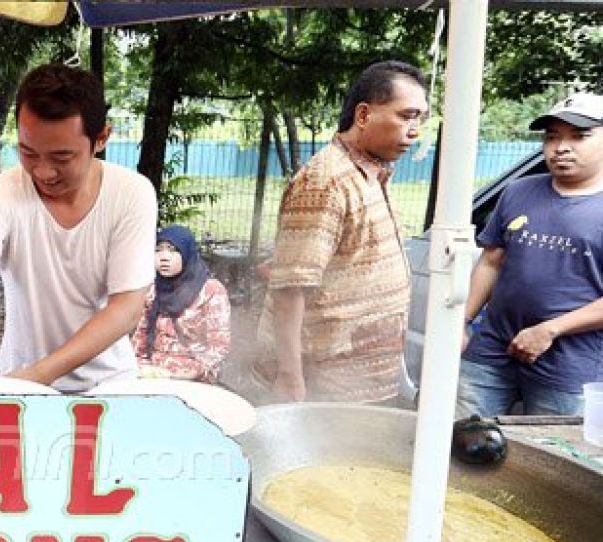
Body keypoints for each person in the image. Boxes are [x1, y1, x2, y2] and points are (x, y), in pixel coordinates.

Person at [0, 63, 158, 393]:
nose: (44, 172)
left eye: (62, 157)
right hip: (21, 383)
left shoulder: (131, 194)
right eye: (28, 153)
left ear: (101, 138)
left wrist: (40, 374)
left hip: (109, 387)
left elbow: (127, 308)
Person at [250, 60, 428, 403]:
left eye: (420, 118)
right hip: (326, 390)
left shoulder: (368, 174)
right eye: (406, 116)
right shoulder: (326, 182)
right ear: (363, 115)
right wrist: (290, 379)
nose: (415, 130)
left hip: (361, 385)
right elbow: (290, 289)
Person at [457, 93, 603, 416]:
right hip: (491, 351)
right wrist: (461, 321)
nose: (561, 147)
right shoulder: (518, 191)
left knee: (551, 457)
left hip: (570, 365)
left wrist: (550, 330)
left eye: (579, 136)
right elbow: (491, 262)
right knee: (462, 439)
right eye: (552, 137)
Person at [132, 225, 231, 383]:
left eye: (172, 250)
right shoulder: (152, 289)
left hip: (193, 378)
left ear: (186, 253)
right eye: (158, 250)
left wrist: (183, 374)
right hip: (153, 374)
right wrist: (141, 368)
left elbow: (218, 347)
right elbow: (140, 341)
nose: (164, 257)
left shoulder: (211, 291)